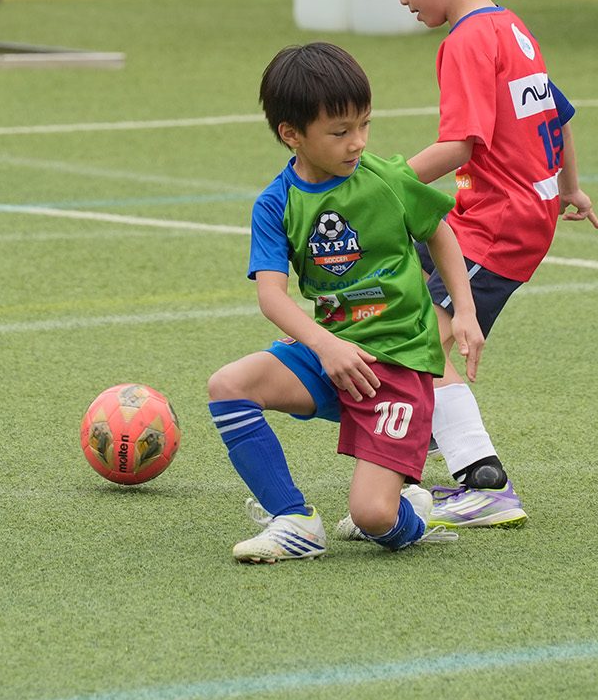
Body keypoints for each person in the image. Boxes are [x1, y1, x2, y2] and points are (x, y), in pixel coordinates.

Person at [372, 0, 598, 530]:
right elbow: (558, 112)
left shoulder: (467, 41)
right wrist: (570, 188)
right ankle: (421, 449)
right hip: (509, 214)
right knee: (398, 311)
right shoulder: (511, 28)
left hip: (495, 225)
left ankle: (483, 481)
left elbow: (460, 145)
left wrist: (379, 184)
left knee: (419, 343)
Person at [207, 41, 483, 563]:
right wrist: (324, 345)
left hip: (397, 364)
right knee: (229, 386)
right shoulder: (276, 202)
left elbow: (440, 231)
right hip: (333, 355)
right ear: (292, 134)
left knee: (373, 517)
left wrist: (464, 312)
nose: (357, 142)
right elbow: (271, 295)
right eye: (339, 132)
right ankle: (294, 521)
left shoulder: (386, 178)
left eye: (364, 124)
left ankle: (409, 511)